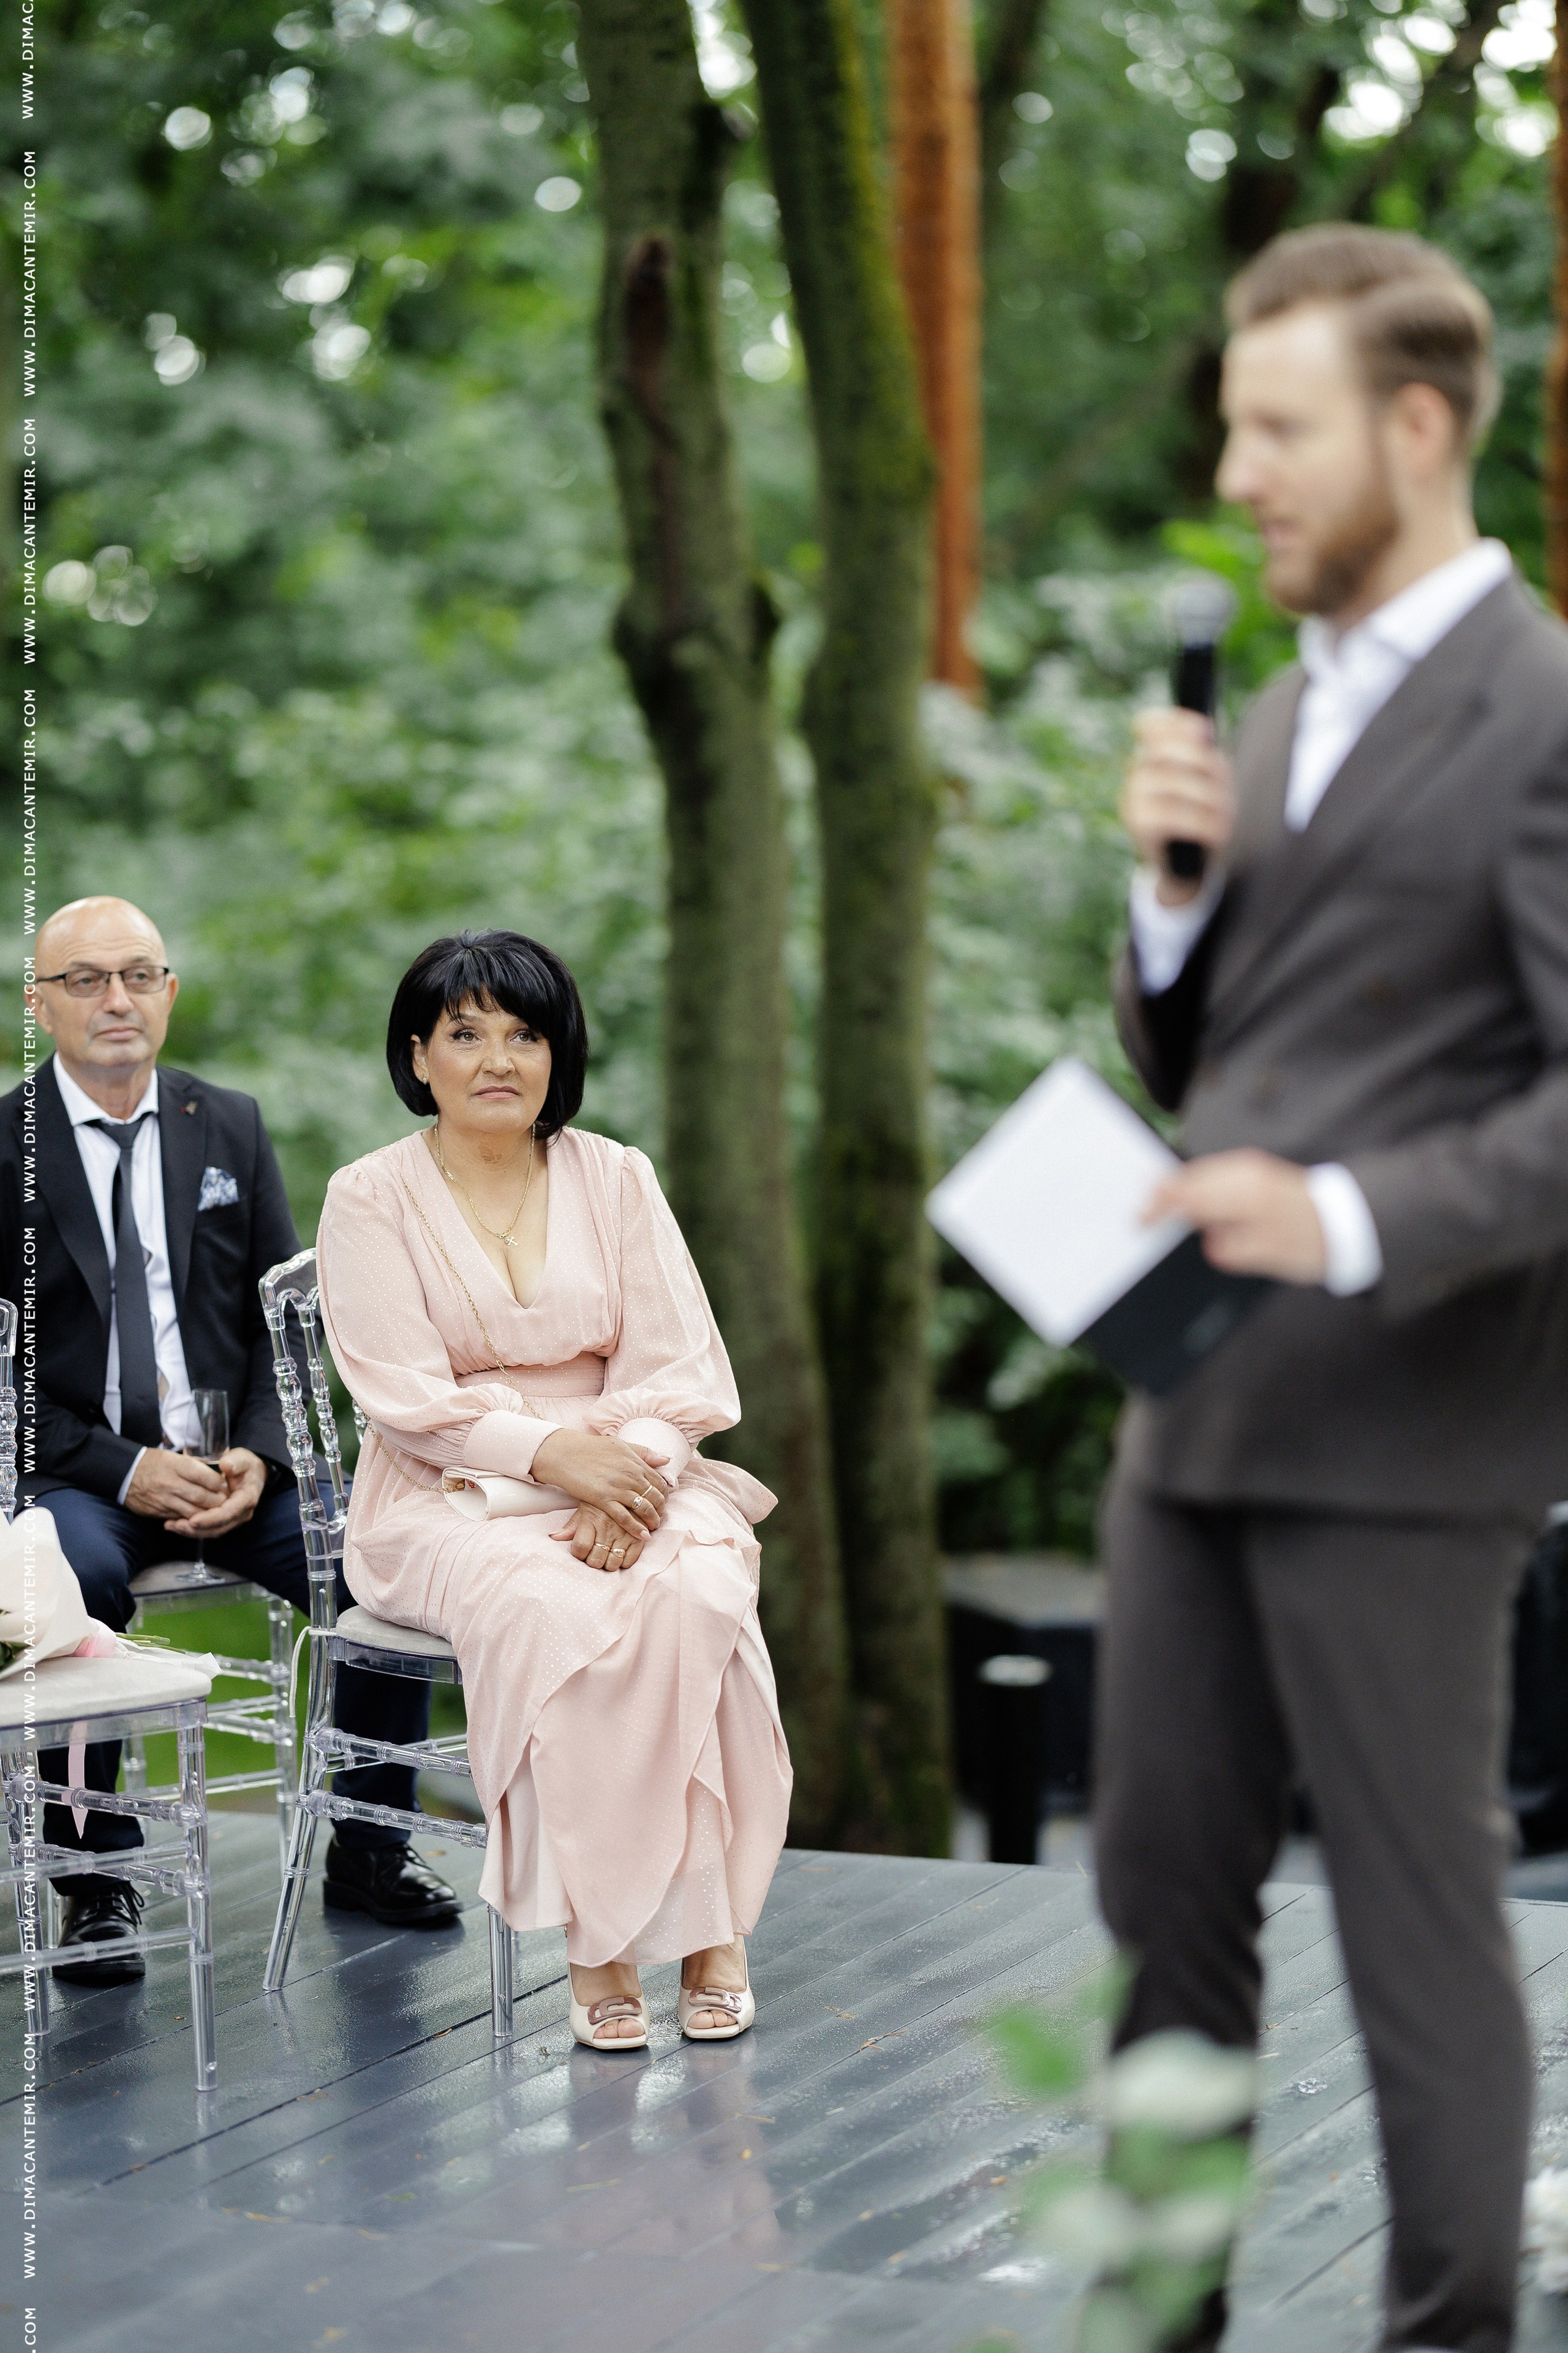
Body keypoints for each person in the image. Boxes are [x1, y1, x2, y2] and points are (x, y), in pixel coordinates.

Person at [1099, 224, 1568, 2353]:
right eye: (1232, 426)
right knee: (1160, 1931)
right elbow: (1216, 1073)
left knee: (1418, 1943)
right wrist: (1170, 908)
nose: (1243, 470)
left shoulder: (1545, 711)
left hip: (1409, 1432)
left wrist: (1349, 1212)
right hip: (1188, 1407)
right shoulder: (1269, 723)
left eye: (1278, 428)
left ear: (1415, 423)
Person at [314, 929, 792, 2049]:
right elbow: (404, 1399)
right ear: (418, 1054)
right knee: (555, 1609)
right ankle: (603, 1943)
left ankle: (716, 1930)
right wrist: (550, 1457)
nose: (497, 1057)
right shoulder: (368, 1195)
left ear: (557, 1050)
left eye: (524, 1033)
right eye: (465, 1033)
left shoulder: (616, 1174)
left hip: (633, 1469)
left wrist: (629, 1477)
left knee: (703, 1584)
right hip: (446, 1496)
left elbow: (678, 1369)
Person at [2, 896, 459, 1985]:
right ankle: (97, 1879)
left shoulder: (231, 1124)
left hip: (233, 1468)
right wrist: (125, 1466)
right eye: (86, 978)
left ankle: (369, 1842)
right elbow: (4, 1377)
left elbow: (280, 1315)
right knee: (75, 1582)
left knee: (378, 1563)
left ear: (169, 992)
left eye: (139, 974)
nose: (117, 998)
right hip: (81, 1472)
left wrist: (264, 1451)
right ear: (40, 1002)